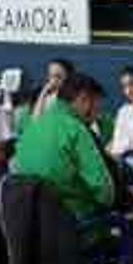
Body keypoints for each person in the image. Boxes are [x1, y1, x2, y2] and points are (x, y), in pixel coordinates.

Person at [11, 73, 114, 219]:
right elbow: (104, 191)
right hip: (69, 220)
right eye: (97, 106)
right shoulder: (77, 130)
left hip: (27, 216)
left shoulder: (35, 125)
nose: (96, 115)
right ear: (83, 99)